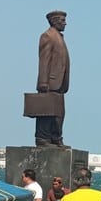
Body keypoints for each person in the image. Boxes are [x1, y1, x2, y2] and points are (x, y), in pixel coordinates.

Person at [34, 10, 70, 147]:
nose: (65, 23)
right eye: (62, 20)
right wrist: (43, 81)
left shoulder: (59, 37)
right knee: (45, 111)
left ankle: (56, 137)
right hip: (50, 82)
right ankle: (42, 138)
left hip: (60, 83)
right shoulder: (47, 36)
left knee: (59, 113)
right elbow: (44, 60)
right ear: (54, 21)